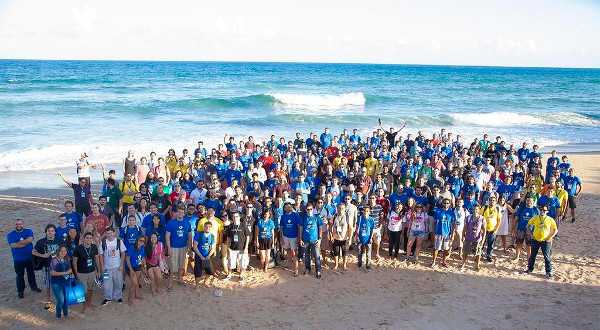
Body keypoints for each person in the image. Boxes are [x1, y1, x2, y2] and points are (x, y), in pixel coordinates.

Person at [7, 219, 41, 298]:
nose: (19, 225)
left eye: (20, 224)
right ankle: (20, 291)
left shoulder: (28, 231)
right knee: (19, 276)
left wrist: (18, 243)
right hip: (18, 260)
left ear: (23, 224)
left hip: (30, 258)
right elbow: (12, 245)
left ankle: (34, 287)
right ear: (15, 225)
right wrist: (25, 242)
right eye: (17, 224)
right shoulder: (10, 234)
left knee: (31, 274)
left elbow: (30, 239)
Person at [32, 224, 61, 308]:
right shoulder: (41, 242)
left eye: (52, 231)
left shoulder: (59, 241)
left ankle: (60, 299)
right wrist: (43, 255)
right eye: (49, 231)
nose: (51, 233)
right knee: (47, 284)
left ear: (55, 232)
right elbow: (33, 252)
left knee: (59, 283)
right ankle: (48, 300)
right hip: (47, 266)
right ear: (46, 232)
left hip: (58, 266)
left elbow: (64, 251)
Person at [526, 206, 558, 279]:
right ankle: (530, 268)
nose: (542, 211)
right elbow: (528, 225)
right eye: (541, 210)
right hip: (535, 240)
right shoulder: (535, 217)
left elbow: (555, 230)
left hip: (546, 241)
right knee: (533, 255)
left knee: (547, 256)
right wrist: (531, 234)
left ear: (547, 211)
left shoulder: (550, 219)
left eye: (544, 210)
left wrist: (550, 237)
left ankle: (548, 271)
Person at [165, 206, 192, 290]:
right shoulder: (171, 223)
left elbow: (190, 235)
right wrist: (169, 248)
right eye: (179, 212)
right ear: (176, 213)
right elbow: (167, 236)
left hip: (183, 247)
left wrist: (189, 247)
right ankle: (171, 281)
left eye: (182, 212)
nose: (180, 213)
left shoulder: (187, 222)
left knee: (181, 264)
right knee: (172, 264)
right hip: (173, 247)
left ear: (184, 213)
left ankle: (180, 278)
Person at [72, 232, 100, 313]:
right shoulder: (78, 248)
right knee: (83, 291)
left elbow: (96, 259)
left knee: (90, 289)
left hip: (92, 272)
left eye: (90, 238)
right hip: (81, 273)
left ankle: (89, 303)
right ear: (84, 239)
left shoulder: (94, 247)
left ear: (92, 239)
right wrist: (76, 273)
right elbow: (74, 262)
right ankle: (84, 305)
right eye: (87, 237)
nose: (89, 239)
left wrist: (98, 271)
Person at [98, 227, 126, 305]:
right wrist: (102, 266)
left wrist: (121, 265)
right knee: (107, 284)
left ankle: (118, 297)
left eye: (111, 233)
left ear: (114, 233)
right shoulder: (103, 242)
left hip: (117, 267)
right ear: (106, 234)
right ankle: (108, 298)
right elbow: (100, 255)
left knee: (118, 283)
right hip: (107, 268)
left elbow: (123, 253)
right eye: (107, 233)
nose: (109, 235)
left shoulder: (119, 241)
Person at [224, 212, 251, 281]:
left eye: (236, 216)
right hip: (232, 248)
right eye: (233, 217)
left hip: (241, 248)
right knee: (231, 262)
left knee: (242, 263)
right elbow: (228, 238)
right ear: (232, 218)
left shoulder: (243, 225)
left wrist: (246, 247)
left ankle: (241, 275)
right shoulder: (230, 226)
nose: (235, 218)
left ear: (239, 217)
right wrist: (228, 247)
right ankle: (229, 274)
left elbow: (247, 236)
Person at [299, 203, 323, 279]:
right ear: (306, 210)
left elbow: (320, 228)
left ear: (313, 209)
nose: (309, 211)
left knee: (317, 256)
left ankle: (318, 270)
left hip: (315, 240)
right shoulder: (303, 217)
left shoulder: (317, 217)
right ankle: (307, 268)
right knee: (306, 256)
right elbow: (301, 229)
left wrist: (320, 239)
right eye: (308, 209)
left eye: (311, 209)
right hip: (305, 240)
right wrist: (300, 239)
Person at [431, 198, 456, 268]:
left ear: (450, 204)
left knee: (446, 249)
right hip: (438, 232)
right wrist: (433, 231)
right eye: (444, 203)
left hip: (447, 233)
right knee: (436, 248)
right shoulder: (438, 211)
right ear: (442, 203)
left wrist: (453, 234)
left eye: (447, 203)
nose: (446, 204)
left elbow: (453, 224)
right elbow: (434, 222)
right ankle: (433, 262)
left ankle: (443, 261)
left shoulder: (451, 212)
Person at [49, 245, 72, 319]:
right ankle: (58, 315)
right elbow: (52, 273)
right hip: (56, 283)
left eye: (65, 251)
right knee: (61, 300)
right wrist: (65, 273)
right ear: (58, 251)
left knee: (66, 300)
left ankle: (65, 314)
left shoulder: (67, 259)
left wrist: (68, 272)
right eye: (61, 251)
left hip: (66, 282)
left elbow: (71, 270)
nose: (63, 252)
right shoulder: (54, 260)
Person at [513, 197, 539, 262]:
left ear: (533, 202)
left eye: (530, 201)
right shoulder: (521, 208)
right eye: (527, 200)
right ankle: (517, 257)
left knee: (529, 245)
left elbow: (539, 220)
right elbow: (516, 219)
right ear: (526, 201)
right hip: (521, 228)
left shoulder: (536, 209)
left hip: (530, 230)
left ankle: (528, 258)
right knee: (519, 243)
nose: (529, 202)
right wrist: (513, 228)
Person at [460, 205, 486, 271]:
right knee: (465, 252)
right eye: (474, 209)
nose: (475, 210)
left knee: (478, 253)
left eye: (477, 209)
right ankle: (463, 263)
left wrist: (483, 240)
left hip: (477, 239)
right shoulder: (468, 217)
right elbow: (465, 227)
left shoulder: (482, 218)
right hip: (468, 237)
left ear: (479, 210)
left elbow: (484, 230)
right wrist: (463, 235)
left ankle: (477, 265)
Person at [279, 202, 301, 276]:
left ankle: (296, 270)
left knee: (294, 253)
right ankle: (288, 265)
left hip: (293, 237)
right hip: (285, 236)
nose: (288, 208)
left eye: (289, 206)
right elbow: (281, 228)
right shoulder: (283, 216)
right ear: (284, 208)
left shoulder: (296, 215)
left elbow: (299, 227)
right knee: (288, 251)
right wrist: (281, 237)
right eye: (286, 207)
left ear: (291, 207)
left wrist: (299, 237)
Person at [192, 222, 216, 288]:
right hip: (199, 256)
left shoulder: (212, 236)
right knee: (198, 272)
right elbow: (195, 247)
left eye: (209, 227)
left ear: (211, 228)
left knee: (210, 271)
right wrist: (201, 256)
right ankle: (197, 285)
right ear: (204, 227)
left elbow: (213, 248)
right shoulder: (198, 235)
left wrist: (208, 256)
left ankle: (205, 282)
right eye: (206, 226)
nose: (207, 228)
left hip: (207, 256)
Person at [125, 236, 147, 304]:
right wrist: (131, 270)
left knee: (137, 282)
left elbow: (143, 258)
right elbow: (127, 259)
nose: (141, 242)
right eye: (140, 240)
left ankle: (136, 295)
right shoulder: (131, 247)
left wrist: (145, 267)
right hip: (130, 267)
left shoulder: (142, 248)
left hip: (138, 266)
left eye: (143, 241)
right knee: (134, 283)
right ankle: (129, 299)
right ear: (137, 240)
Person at [482, 196, 501, 262]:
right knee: (481, 243)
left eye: (493, 200)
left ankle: (489, 256)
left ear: (495, 202)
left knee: (491, 244)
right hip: (484, 229)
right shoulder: (484, 208)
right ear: (488, 201)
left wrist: (496, 230)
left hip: (492, 229)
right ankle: (479, 254)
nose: (492, 201)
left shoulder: (497, 209)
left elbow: (499, 220)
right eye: (491, 200)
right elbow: (480, 218)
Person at [330, 203, 349, 270]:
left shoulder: (347, 216)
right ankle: (336, 265)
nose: (340, 210)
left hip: (344, 238)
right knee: (336, 252)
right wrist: (331, 235)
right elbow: (330, 225)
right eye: (339, 208)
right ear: (337, 209)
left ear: (344, 209)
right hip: (336, 237)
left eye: (342, 208)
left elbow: (350, 227)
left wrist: (350, 237)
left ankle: (344, 265)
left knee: (345, 252)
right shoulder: (334, 216)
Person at [356, 206, 375, 270]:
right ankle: (359, 262)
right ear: (362, 211)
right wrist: (357, 237)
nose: (365, 212)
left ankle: (368, 264)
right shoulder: (360, 218)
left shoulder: (371, 219)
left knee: (368, 252)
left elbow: (372, 229)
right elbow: (357, 228)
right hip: (360, 238)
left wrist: (371, 238)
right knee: (359, 251)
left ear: (369, 212)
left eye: (367, 211)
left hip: (368, 239)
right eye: (364, 211)